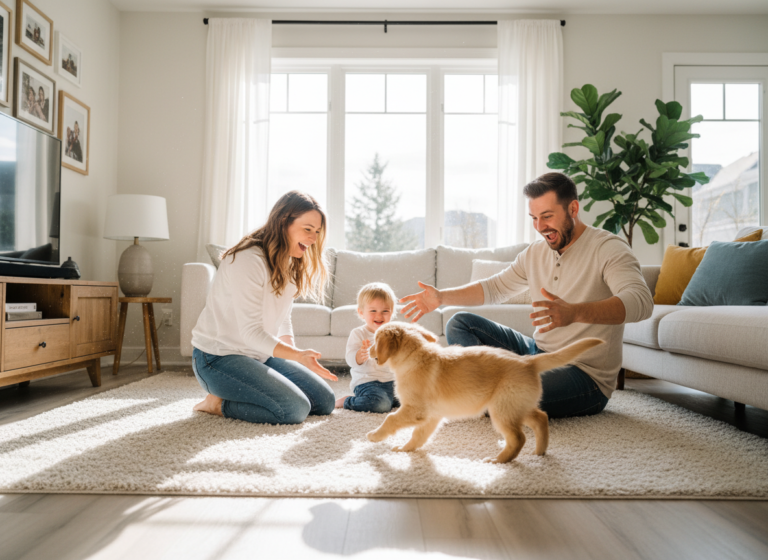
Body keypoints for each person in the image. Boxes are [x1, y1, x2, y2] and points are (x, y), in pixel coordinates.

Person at [401, 172, 653, 418]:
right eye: (534, 218)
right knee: (460, 323)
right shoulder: (535, 253)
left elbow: (641, 301)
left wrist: (575, 312)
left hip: (583, 374)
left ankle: (474, 393)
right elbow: (494, 288)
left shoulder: (608, 248)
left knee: (504, 398)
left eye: (547, 216)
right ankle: (480, 392)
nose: (540, 227)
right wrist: (441, 297)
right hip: (535, 353)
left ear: (573, 209)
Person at [191, 191, 337, 424]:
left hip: (258, 354)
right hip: (217, 358)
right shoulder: (248, 260)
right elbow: (251, 332)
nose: (313, 238)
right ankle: (217, 403)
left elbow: (282, 316)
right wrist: (297, 355)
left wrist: (293, 357)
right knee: (294, 409)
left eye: (317, 232)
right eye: (307, 229)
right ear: (283, 222)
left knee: (324, 402)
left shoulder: (288, 259)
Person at [335, 282, 400, 413]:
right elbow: (350, 359)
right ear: (361, 313)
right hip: (368, 383)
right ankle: (347, 401)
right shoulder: (358, 333)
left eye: (385, 311)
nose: (379, 316)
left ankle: (390, 400)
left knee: (420, 398)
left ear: (392, 313)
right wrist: (358, 356)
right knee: (379, 405)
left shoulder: (395, 333)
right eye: (373, 311)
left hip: (394, 381)